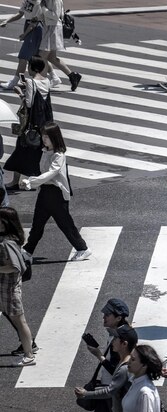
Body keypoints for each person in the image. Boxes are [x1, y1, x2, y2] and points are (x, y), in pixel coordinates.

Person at [64, 298, 130, 412]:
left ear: (118, 317)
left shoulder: (123, 338)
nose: (103, 317)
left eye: (107, 314)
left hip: (113, 393)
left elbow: (120, 371)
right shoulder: (113, 333)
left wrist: (99, 355)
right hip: (105, 389)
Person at [19, 122, 92, 261]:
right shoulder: (45, 152)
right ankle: (28, 251)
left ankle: (83, 248)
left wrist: (31, 181)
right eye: (43, 136)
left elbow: (51, 173)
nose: (44, 139)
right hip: (45, 192)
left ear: (55, 137)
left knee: (65, 224)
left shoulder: (58, 155)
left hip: (56, 194)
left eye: (47, 137)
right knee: (37, 224)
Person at [4, 55, 53, 189]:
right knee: (36, 152)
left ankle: (15, 181)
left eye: (28, 66)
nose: (27, 69)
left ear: (32, 68)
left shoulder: (32, 82)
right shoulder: (47, 81)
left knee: (21, 149)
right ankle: (33, 181)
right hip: (43, 122)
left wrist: (20, 92)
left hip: (30, 123)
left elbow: (29, 103)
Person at [0, 207, 36, 367]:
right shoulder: (7, 238)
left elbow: (16, 267)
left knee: (20, 322)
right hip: (4, 288)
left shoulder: (7, 242)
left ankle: (29, 354)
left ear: (4, 222)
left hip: (8, 289)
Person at [0, 0, 44, 90]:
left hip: (34, 28)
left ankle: (14, 82)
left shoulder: (39, 2)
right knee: (36, 56)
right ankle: (54, 77)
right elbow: (20, 14)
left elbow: (34, 22)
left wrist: (24, 35)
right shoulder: (27, 0)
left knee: (23, 57)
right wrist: (6, 21)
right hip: (29, 26)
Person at [39, 0, 82, 90]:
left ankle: (43, 82)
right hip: (49, 27)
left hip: (52, 28)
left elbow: (55, 15)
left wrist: (43, 8)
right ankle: (72, 76)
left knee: (42, 57)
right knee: (51, 58)